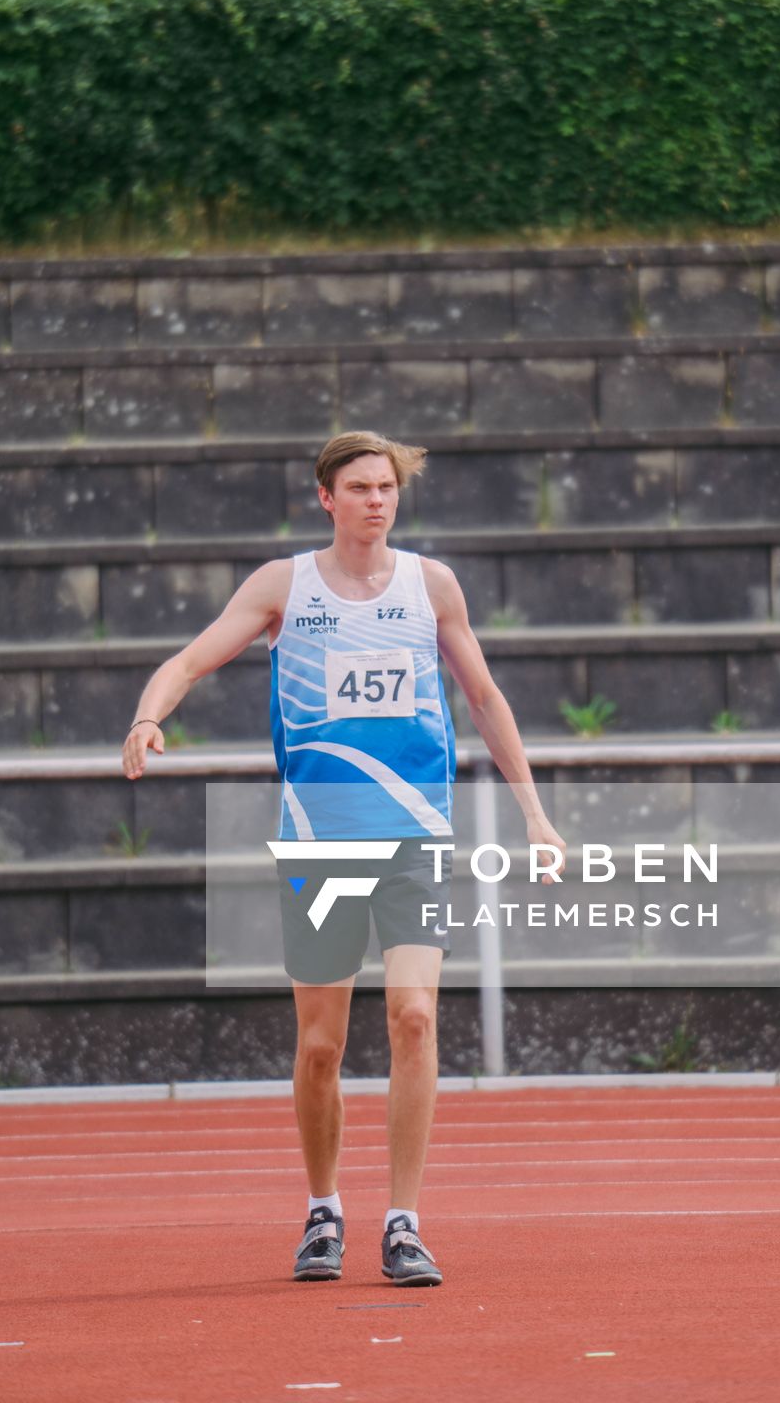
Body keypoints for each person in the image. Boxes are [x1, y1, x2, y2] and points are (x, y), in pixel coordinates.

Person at [120, 429, 565, 1289]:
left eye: (386, 487)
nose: (376, 500)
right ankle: (324, 1209)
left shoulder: (430, 586)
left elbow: (483, 696)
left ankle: (405, 1223)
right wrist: (149, 714)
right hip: (320, 846)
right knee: (321, 1045)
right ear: (325, 497)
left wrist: (535, 816)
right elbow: (192, 658)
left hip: (415, 840)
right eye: (359, 488)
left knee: (414, 1019)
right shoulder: (284, 586)